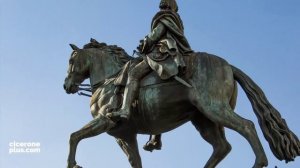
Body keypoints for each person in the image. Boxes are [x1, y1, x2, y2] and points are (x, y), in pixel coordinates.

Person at [107, 0, 193, 151]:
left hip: (162, 51)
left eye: (162, 3)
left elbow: (156, 34)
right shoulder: (176, 19)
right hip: (168, 51)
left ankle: (125, 109)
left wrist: (145, 43)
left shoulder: (165, 17)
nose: (160, 5)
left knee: (133, 73)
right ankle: (155, 138)